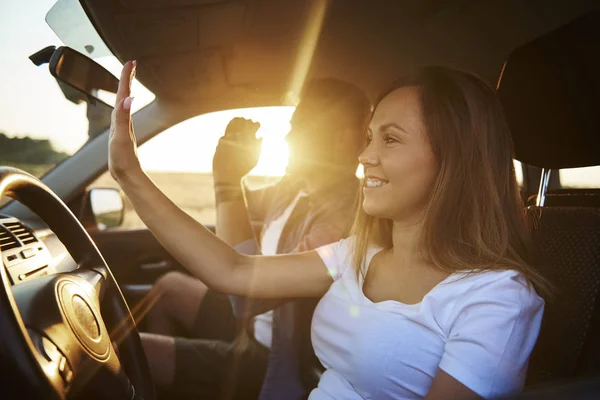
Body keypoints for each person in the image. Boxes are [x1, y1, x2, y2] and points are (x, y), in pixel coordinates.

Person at [110, 63, 548, 399]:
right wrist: (129, 173)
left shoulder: (497, 299)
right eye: (369, 137)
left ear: (455, 160)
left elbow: (240, 291)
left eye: (390, 140)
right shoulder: (362, 251)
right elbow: (235, 271)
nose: (364, 157)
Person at [140, 78, 371, 399]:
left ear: (342, 139)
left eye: (301, 126)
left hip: (273, 356)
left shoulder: (343, 218)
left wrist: (228, 182)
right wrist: (234, 171)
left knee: (136, 352)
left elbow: (244, 298)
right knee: (167, 288)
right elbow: (232, 225)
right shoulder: (293, 188)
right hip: (254, 324)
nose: (288, 136)